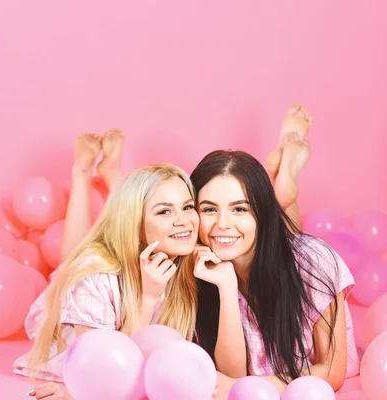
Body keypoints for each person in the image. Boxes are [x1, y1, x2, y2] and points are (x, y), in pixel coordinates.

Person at [14, 131, 238, 399]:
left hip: (127, 254)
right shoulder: (95, 278)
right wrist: (148, 297)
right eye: (165, 211)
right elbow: (103, 368)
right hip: (74, 310)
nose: (184, 221)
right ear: (137, 227)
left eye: (188, 207)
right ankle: (82, 172)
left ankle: (111, 173)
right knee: (72, 261)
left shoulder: (194, 261)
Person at [192, 148, 359, 397]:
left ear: (261, 213)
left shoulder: (315, 261)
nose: (222, 223)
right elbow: (233, 376)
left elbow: (332, 370)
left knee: (293, 253)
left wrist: (251, 387)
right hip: (267, 384)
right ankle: (285, 193)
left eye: (239, 209)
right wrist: (227, 288)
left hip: (306, 384)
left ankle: (287, 193)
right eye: (208, 209)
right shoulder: (201, 271)